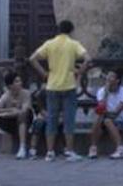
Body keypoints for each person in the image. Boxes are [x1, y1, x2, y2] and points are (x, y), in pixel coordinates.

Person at [29, 19, 91, 162]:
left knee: (51, 119)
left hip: (52, 86)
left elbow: (32, 58)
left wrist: (44, 73)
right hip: (69, 86)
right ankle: (69, 151)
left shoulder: (50, 43)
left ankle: (50, 152)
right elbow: (88, 59)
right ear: (71, 31)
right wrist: (80, 71)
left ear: (59, 30)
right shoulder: (74, 44)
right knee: (69, 120)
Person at [0, 72, 32, 159]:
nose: (20, 83)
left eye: (20, 81)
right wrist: (9, 110)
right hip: (11, 123)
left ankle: (22, 148)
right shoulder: (6, 95)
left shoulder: (26, 93)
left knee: (22, 115)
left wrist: (4, 114)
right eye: (17, 81)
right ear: (10, 86)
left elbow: (23, 110)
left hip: (25, 123)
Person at [88, 70, 123, 159]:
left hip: (120, 118)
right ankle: (93, 148)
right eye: (107, 76)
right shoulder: (101, 91)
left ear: (117, 80)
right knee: (98, 118)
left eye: (111, 77)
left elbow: (117, 112)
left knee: (107, 120)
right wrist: (106, 92)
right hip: (105, 116)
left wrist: (105, 114)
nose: (108, 78)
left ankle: (120, 149)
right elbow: (101, 107)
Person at [27, 89, 48, 159]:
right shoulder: (43, 93)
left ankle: (66, 149)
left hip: (58, 116)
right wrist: (47, 116)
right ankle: (32, 150)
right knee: (38, 124)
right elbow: (41, 109)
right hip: (45, 116)